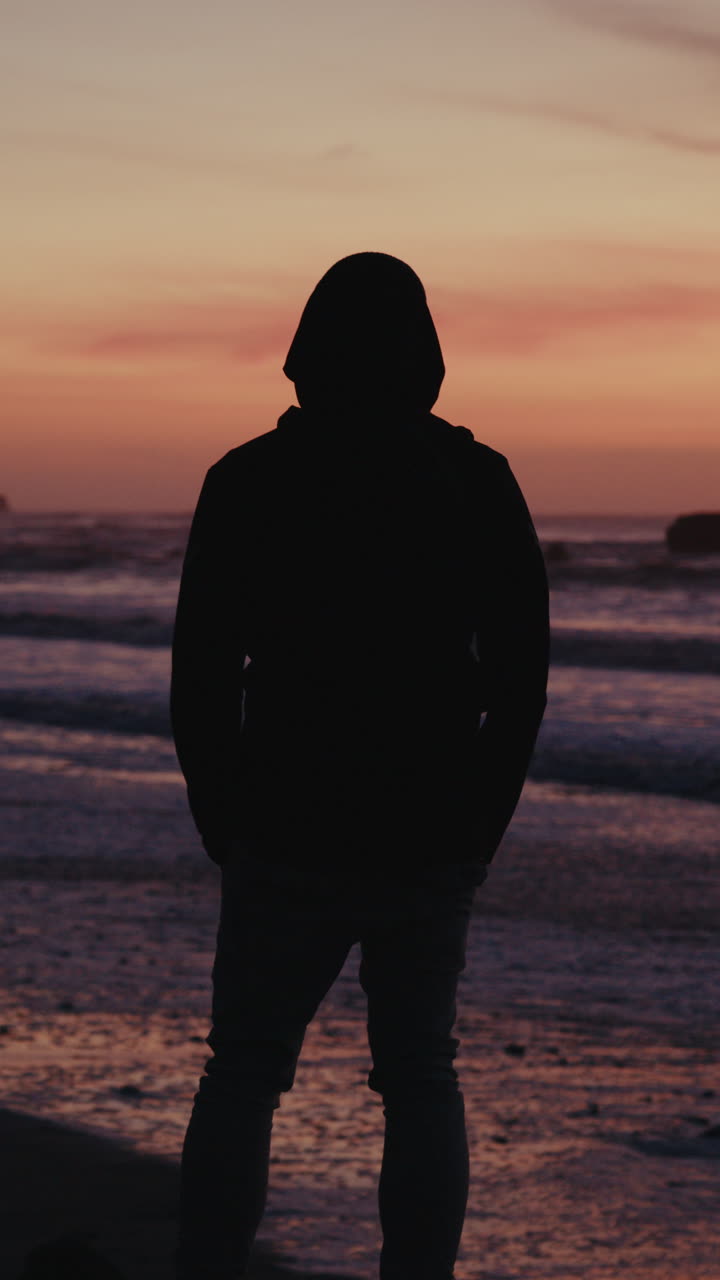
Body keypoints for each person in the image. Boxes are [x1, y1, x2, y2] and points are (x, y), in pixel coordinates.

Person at [170, 251, 549, 1280]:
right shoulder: (475, 478)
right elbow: (520, 673)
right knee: (421, 1072)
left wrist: (222, 808)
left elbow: (202, 667)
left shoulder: (248, 479)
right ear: (424, 355)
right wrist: (482, 821)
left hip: (287, 816)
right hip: (427, 825)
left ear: (306, 352)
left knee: (244, 1071)